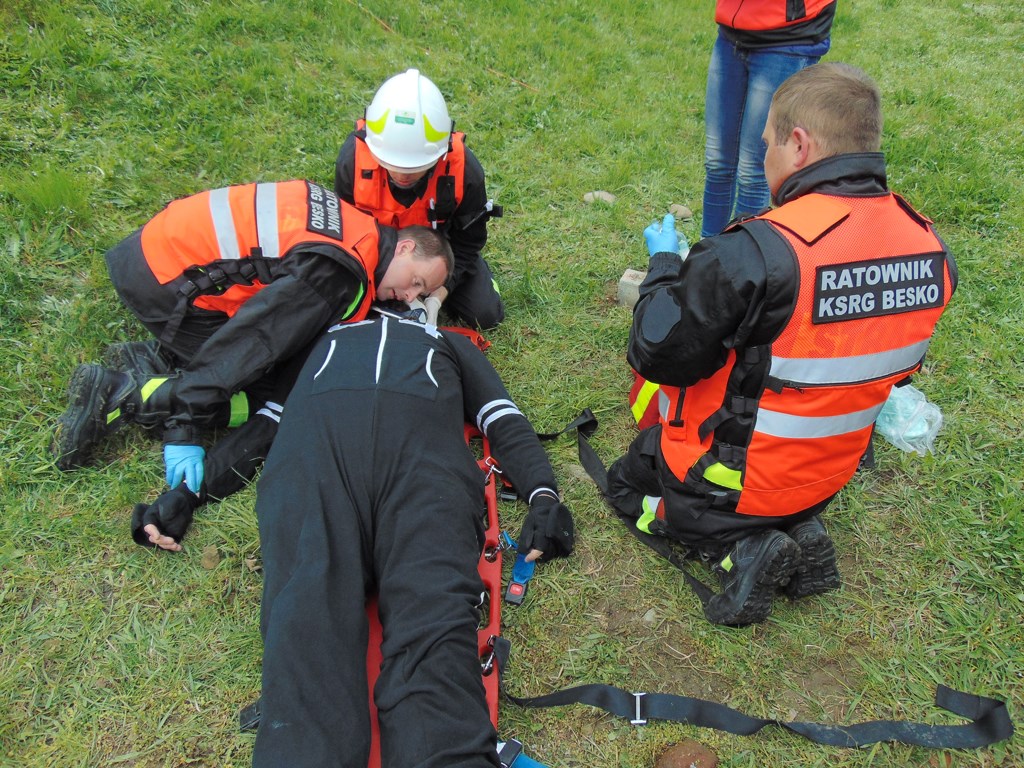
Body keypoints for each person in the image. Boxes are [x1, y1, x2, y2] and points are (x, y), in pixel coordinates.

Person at [611, 63, 957, 626]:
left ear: (799, 145)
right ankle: (798, 524)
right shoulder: (929, 250)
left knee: (628, 481)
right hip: (829, 477)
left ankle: (739, 549)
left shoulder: (758, 254)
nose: (764, 153)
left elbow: (656, 351)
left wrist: (665, 266)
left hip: (726, 483)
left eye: (767, 141)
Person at [248, 314, 574, 767]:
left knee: (434, 623)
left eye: (423, 286)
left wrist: (542, 496)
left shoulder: (446, 342)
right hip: (316, 469)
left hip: (422, 475)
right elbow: (268, 420)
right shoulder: (315, 338)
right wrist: (185, 495)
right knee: (304, 621)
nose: (406, 296)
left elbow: (502, 416)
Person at [52, 180, 452, 519]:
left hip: (156, 250)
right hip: (165, 284)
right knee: (263, 385)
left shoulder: (356, 229)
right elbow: (253, 340)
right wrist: (185, 427)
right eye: (416, 281)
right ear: (403, 248)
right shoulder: (337, 273)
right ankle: (124, 394)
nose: (409, 296)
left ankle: (159, 357)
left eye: (421, 293)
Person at [335, 68, 504, 330]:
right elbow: (343, 237)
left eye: (415, 167)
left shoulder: (463, 170)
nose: (403, 175)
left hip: (440, 253)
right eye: (393, 164)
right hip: (376, 253)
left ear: (440, 151)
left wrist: (439, 293)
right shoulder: (354, 161)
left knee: (486, 314)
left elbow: (468, 242)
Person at [700, 0, 835, 238]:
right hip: (732, 32)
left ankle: (743, 257)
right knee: (717, 161)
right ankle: (706, 253)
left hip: (785, 39)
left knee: (753, 173)